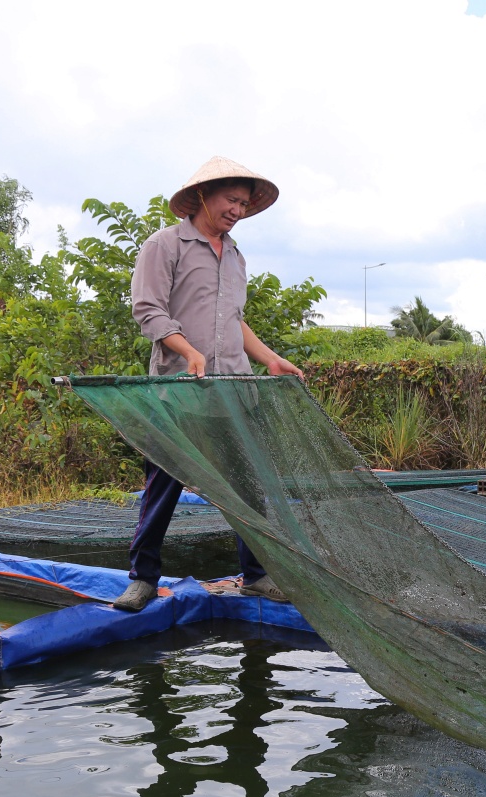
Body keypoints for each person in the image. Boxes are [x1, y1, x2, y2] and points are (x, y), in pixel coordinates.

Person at [113, 156, 305, 612]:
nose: (237, 210)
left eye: (244, 203)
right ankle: (142, 580)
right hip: (178, 392)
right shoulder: (165, 245)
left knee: (246, 486)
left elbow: (235, 322)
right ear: (203, 196)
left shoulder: (236, 256)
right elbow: (149, 310)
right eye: (230, 200)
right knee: (164, 486)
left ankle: (255, 576)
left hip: (233, 390)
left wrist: (271, 360)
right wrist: (189, 352)